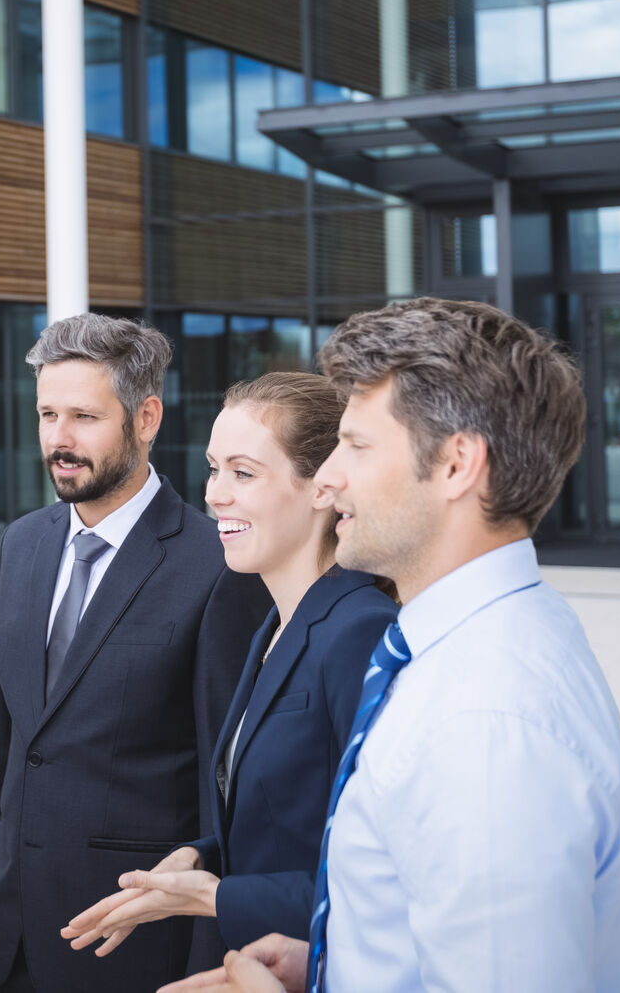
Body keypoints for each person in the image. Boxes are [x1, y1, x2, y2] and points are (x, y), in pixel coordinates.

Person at [163, 298, 620, 993]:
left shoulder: (483, 722)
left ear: (456, 464)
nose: (328, 477)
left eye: (357, 446)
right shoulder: (474, 648)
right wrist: (330, 969)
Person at [0, 313, 271, 993]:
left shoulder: (217, 566)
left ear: (145, 417)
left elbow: (224, 790)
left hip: (132, 947)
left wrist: (212, 960)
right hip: (4, 936)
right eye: (46, 413)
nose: (58, 438)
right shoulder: (22, 543)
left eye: (84, 416)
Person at [61, 373, 397, 971]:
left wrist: (219, 897)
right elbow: (285, 817)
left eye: (243, 473)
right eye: (214, 469)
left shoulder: (358, 630)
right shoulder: (272, 623)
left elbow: (389, 874)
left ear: (324, 488)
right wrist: (199, 855)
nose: (214, 494)